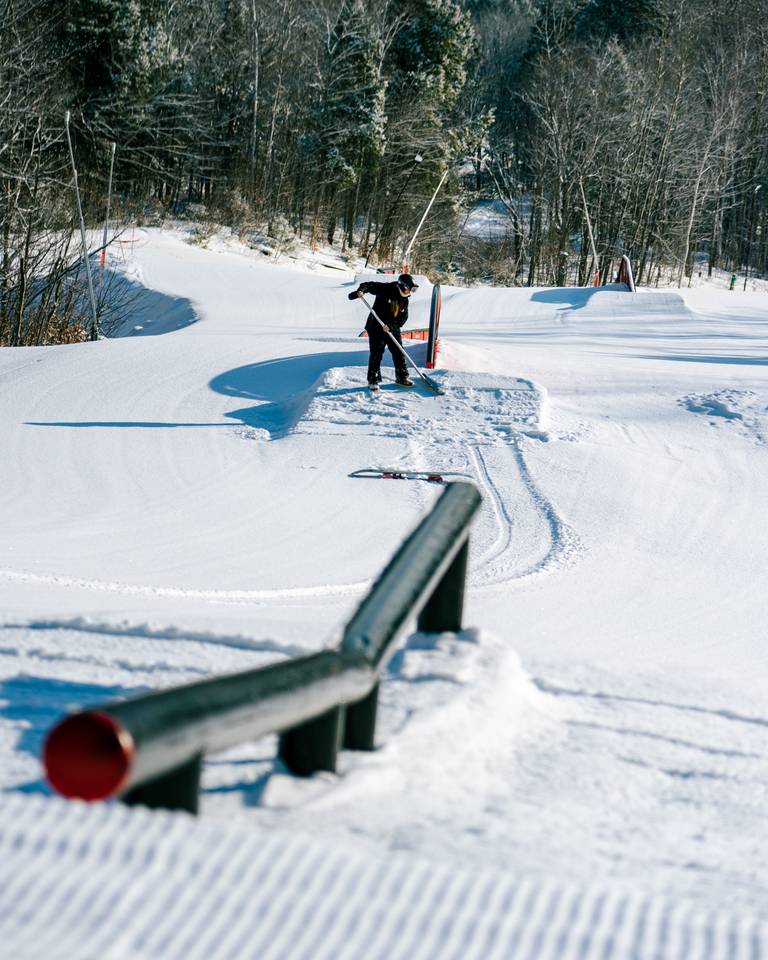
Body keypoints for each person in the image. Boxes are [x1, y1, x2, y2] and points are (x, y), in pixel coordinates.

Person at [348, 273, 419, 390]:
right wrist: (362, 290)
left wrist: (390, 326)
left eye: (413, 289)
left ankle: (402, 377)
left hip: (392, 328)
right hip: (376, 326)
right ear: (403, 285)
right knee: (376, 354)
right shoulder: (386, 289)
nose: (410, 291)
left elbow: (403, 318)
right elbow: (369, 285)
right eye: (410, 288)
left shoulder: (405, 300)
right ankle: (373, 380)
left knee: (399, 352)